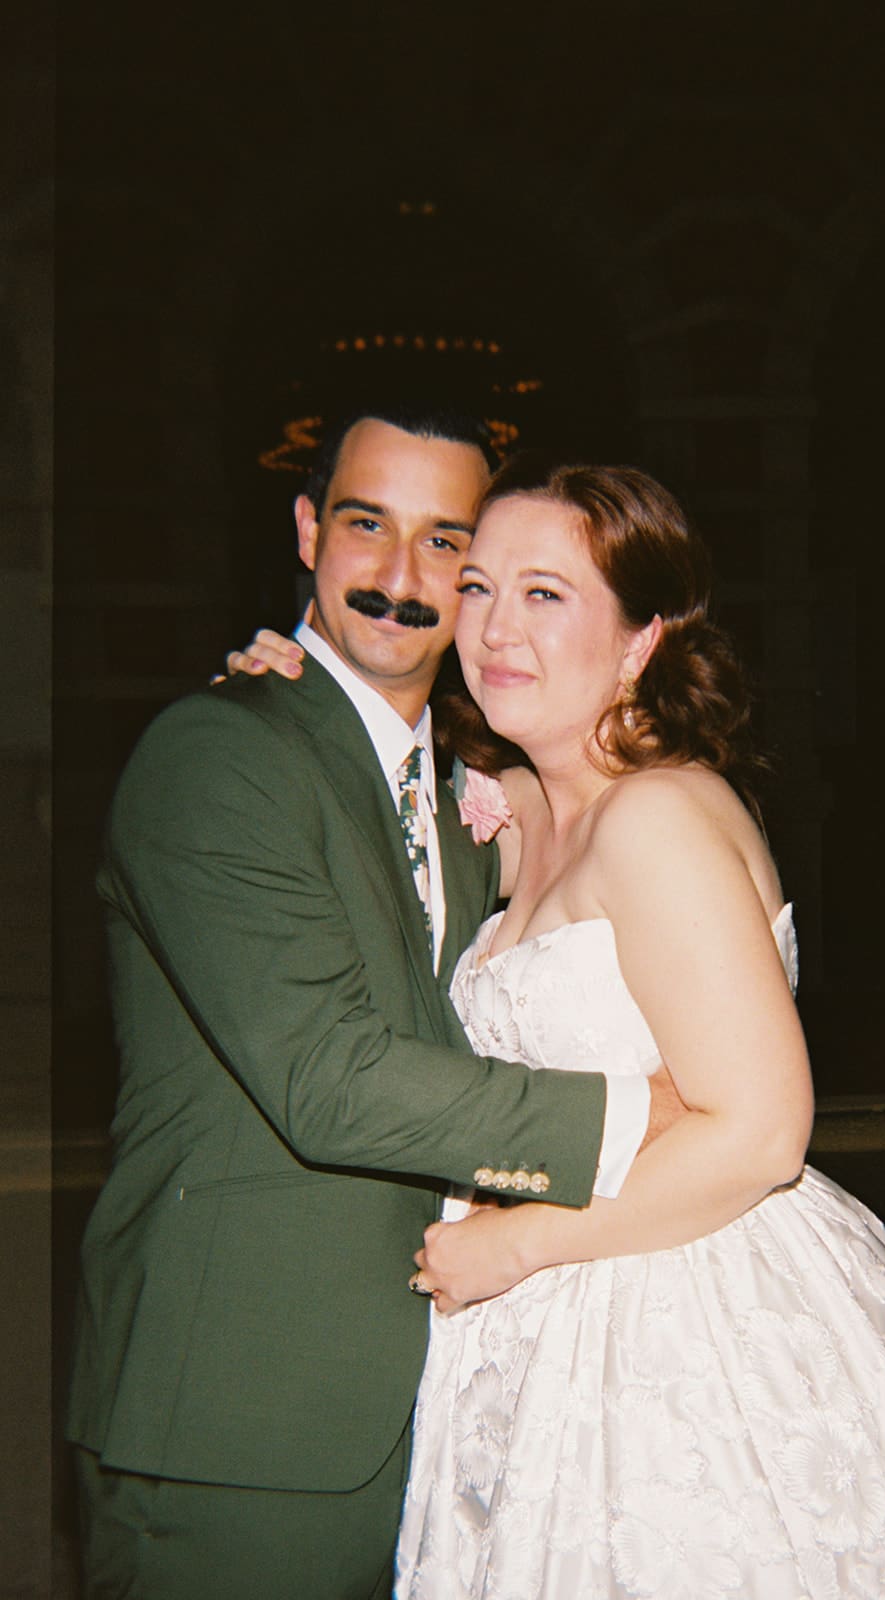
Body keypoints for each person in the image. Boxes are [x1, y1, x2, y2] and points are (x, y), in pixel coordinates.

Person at [239, 456, 885, 1597]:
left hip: (684, 1319)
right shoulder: (523, 807)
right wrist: (295, 693)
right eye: (480, 587)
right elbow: (381, 780)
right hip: (543, 1331)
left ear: (640, 640)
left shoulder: (657, 816)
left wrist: (520, 1242)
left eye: (546, 595)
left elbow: (762, 1132)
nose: (495, 628)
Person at [66, 407, 679, 1600]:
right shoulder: (215, 754)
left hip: (454, 1412)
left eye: (444, 545)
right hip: (240, 1428)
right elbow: (328, 1079)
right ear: (306, 530)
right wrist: (645, 1116)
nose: (401, 580)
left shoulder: (469, 800)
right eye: (365, 525)